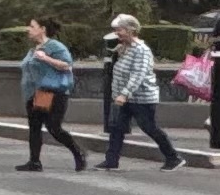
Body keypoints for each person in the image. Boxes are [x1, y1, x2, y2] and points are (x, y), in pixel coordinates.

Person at [98, 11, 181, 169]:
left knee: (149, 127)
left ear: (131, 30)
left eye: (119, 30)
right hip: (125, 97)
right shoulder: (124, 48)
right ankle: (111, 160)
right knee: (117, 128)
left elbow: (138, 74)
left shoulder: (141, 50)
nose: (117, 33)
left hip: (141, 97)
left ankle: (173, 157)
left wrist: (124, 93)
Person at [18, 14, 86, 171]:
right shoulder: (35, 48)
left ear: (42, 29)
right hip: (39, 93)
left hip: (53, 92)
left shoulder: (55, 46)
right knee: (35, 125)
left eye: (32, 26)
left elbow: (67, 65)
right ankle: (34, 161)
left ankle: (78, 152)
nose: (28, 29)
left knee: (53, 127)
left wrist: (46, 59)